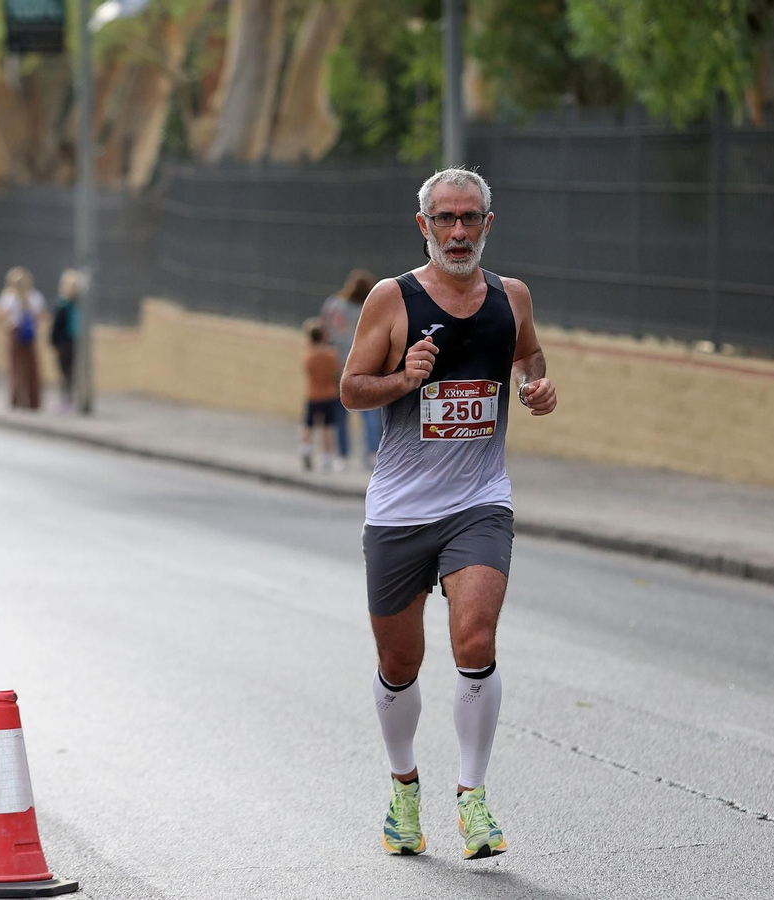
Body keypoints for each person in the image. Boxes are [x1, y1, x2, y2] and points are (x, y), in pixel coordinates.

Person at [341, 168, 557, 860]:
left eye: (470, 219)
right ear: (423, 225)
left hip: (479, 502)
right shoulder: (391, 299)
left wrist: (535, 386)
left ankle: (473, 798)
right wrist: (405, 379)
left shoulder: (511, 297)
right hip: (401, 511)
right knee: (399, 660)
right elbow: (351, 389)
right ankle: (405, 791)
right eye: (445, 219)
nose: (458, 232)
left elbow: (528, 354)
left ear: (488, 224)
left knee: (475, 641)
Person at [321, 269, 377, 466]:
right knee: (370, 412)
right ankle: (372, 452)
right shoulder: (371, 308)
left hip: (338, 364)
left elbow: (325, 333)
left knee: (339, 412)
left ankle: (342, 455)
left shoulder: (334, 305)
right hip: (366, 365)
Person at [0, 266, 46, 410]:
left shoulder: (34, 296)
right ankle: (16, 400)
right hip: (15, 332)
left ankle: (33, 402)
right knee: (15, 368)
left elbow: (41, 314)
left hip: (28, 334)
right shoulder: (9, 297)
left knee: (32, 368)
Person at [301, 319, 342, 471]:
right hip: (329, 393)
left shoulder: (309, 356)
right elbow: (336, 372)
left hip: (313, 393)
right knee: (327, 426)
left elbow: (308, 371)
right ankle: (326, 457)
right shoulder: (331, 355)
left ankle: (305, 448)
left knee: (308, 424)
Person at [51, 269, 82, 411]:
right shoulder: (63, 305)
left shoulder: (76, 305)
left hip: (73, 342)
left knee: (71, 373)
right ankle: (66, 398)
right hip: (64, 343)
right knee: (65, 372)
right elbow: (56, 327)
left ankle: (71, 398)